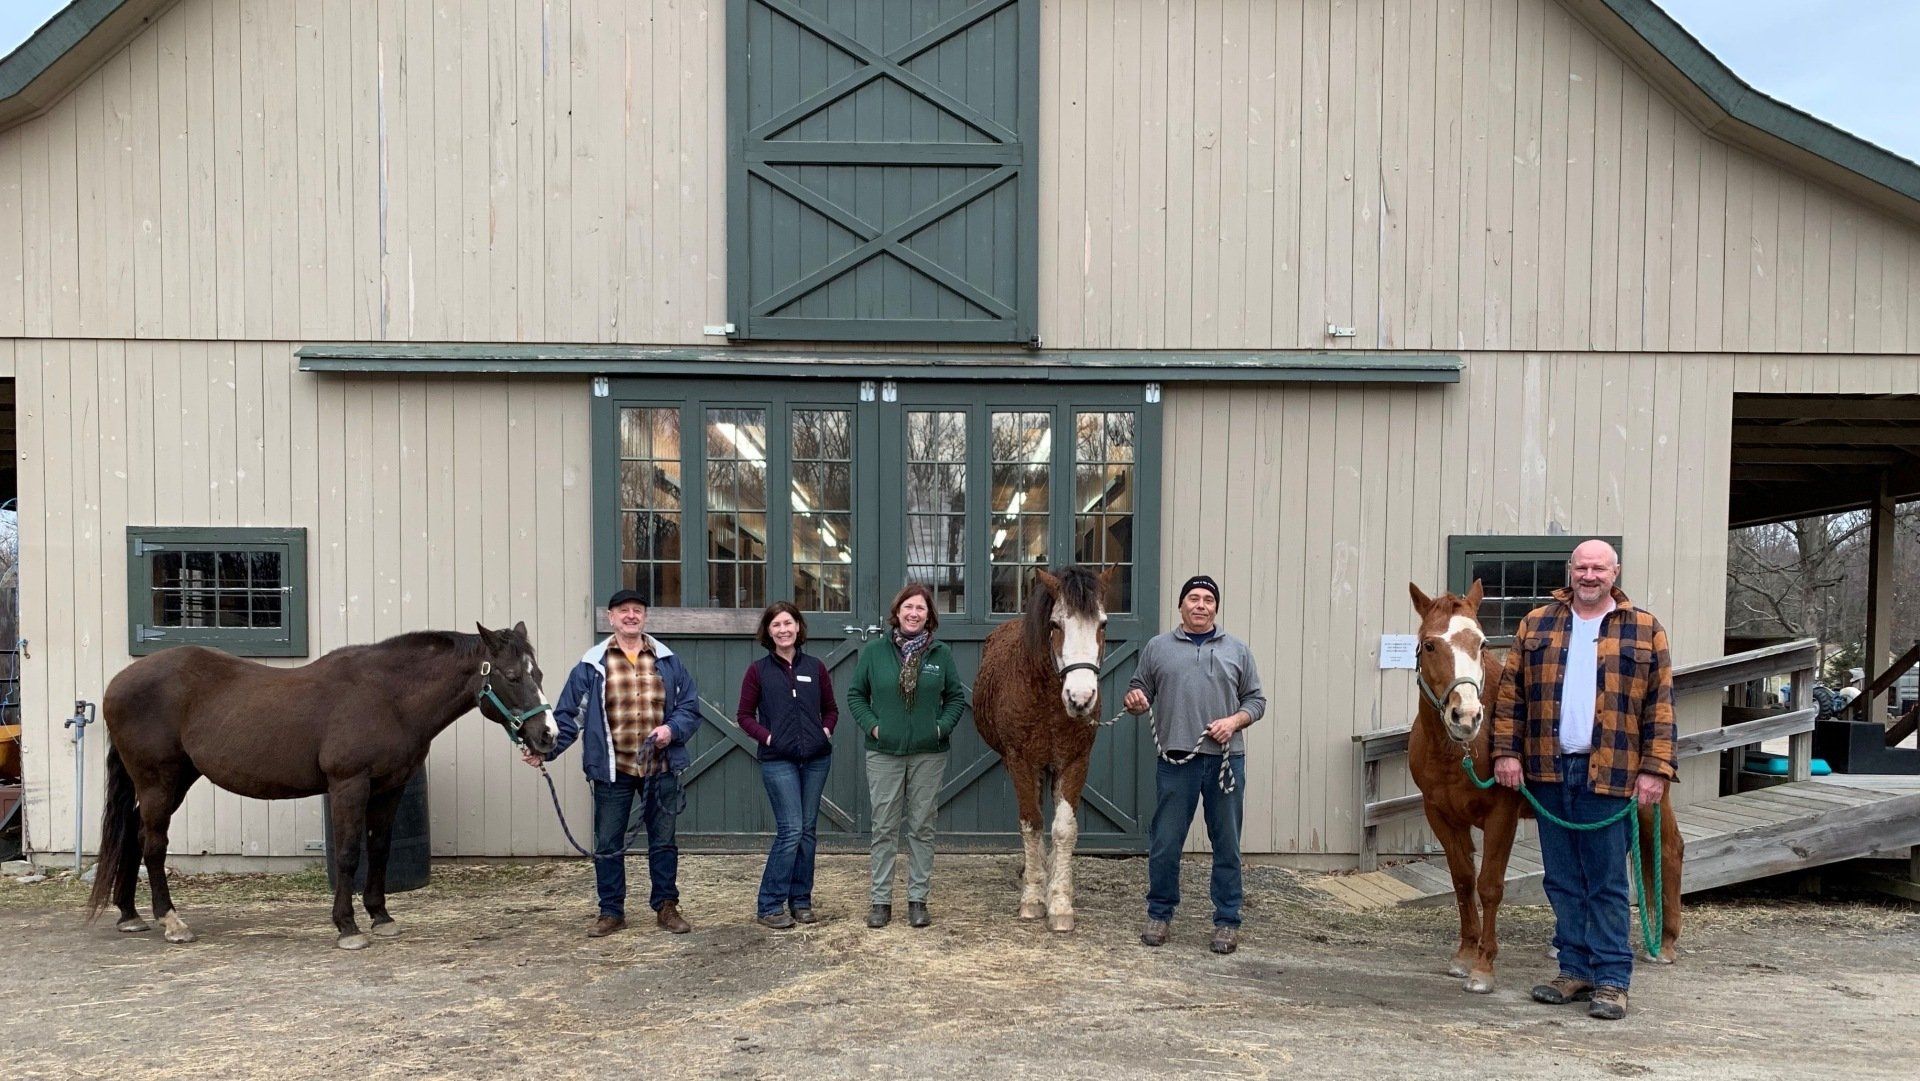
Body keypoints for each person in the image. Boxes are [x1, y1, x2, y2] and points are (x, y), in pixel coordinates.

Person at [1492, 539, 1676, 1021]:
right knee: (1563, 879)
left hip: (1611, 773)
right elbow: (1511, 698)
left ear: (1614, 573)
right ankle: (1573, 968)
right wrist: (1506, 753)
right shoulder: (1536, 624)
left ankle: (1612, 978)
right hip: (1549, 770)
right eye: (1581, 567)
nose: (1589, 575)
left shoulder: (1644, 628)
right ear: (1569, 571)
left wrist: (1656, 768)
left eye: (1598, 567)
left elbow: (1661, 706)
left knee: (1608, 882)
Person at [523, 588, 702, 937]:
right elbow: (568, 716)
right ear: (611, 617)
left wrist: (671, 729)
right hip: (612, 770)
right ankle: (611, 911)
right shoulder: (591, 665)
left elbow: (690, 708)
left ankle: (666, 906)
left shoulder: (668, 661)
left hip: (660, 769)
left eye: (637, 610)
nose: (631, 616)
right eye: (623, 611)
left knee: (663, 841)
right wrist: (545, 751)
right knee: (607, 842)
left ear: (645, 617)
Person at [1124, 574, 1267, 955]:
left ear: (1216, 608)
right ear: (1181, 605)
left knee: (1227, 844)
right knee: (1166, 842)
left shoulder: (1238, 651)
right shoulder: (1157, 648)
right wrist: (1135, 700)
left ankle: (1226, 920)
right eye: (1193, 598)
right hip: (1176, 761)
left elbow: (1256, 701)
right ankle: (1159, 912)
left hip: (1225, 761)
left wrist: (1233, 722)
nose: (1200, 605)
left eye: (1207, 599)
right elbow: (1140, 690)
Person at [848, 582, 967, 929]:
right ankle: (880, 901)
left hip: (928, 755)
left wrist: (939, 729)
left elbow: (956, 698)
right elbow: (856, 695)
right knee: (883, 826)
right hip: (884, 753)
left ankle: (918, 900)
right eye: (908, 607)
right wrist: (875, 728)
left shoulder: (940, 654)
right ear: (896, 612)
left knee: (921, 827)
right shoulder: (874, 652)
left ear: (929, 616)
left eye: (920, 608)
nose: (913, 614)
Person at [735, 601, 838, 929]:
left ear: (798, 627)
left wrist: (824, 732)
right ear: (768, 631)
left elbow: (832, 709)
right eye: (776, 625)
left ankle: (801, 900)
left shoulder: (816, 667)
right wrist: (768, 739)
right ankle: (769, 904)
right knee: (791, 829)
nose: (783, 630)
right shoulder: (758, 672)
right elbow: (744, 716)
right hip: (778, 761)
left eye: (788, 623)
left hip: (816, 760)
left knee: (808, 832)